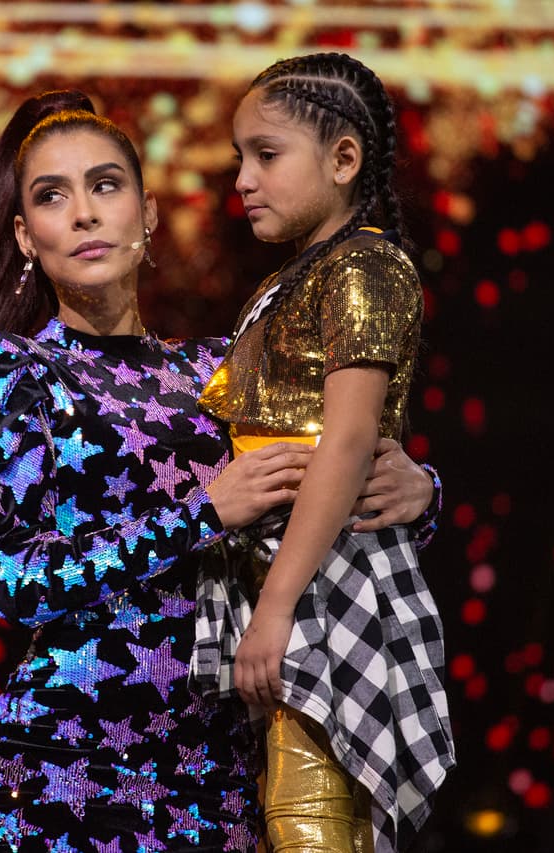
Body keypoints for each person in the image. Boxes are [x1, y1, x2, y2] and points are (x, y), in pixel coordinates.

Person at [0, 90, 440, 851]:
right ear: (27, 237)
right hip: (72, 771)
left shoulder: (224, 369)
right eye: (53, 197)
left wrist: (417, 492)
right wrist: (198, 515)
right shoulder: (2, 369)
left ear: (149, 214)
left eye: (106, 185)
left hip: (217, 773)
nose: (85, 214)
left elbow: (316, 507)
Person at [191, 53, 454, 853]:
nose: (242, 177)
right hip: (287, 569)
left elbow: (346, 437)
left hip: (321, 578)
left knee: (310, 817)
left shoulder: (364, 265)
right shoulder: (294, 280)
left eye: (266, 155)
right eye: (240, 155)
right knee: (291, 810)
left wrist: (274, 606)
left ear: (344, 159)